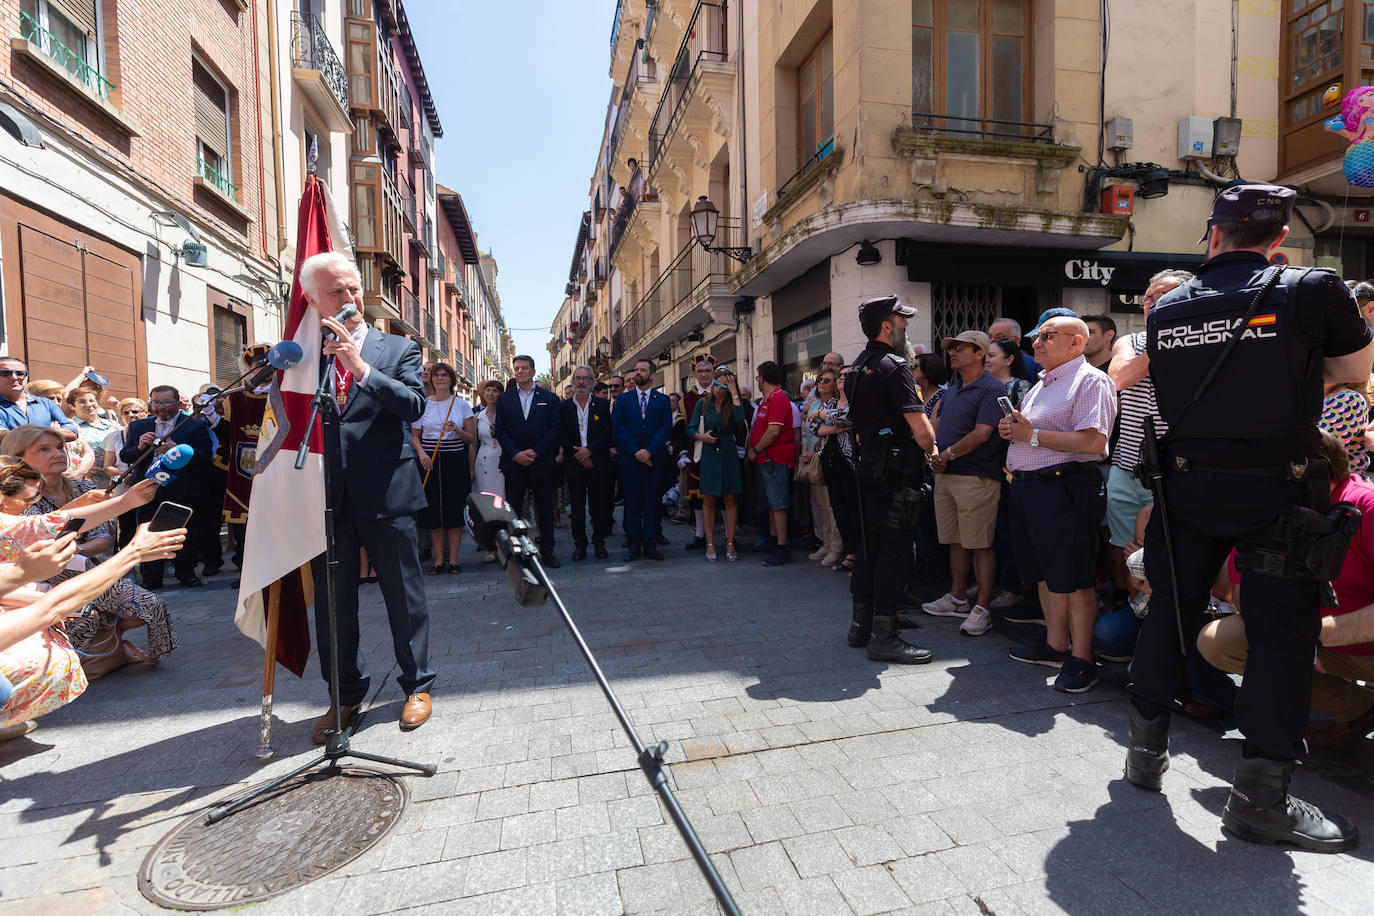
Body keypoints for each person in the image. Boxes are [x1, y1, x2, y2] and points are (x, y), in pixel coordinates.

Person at [1124, 184, 1374, 853]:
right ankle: (1261, 798)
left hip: (1187, 485)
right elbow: (1354, 370)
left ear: (1214, 236)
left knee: (1171, 613)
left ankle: (1143, 758)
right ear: (1278, 240)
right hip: (1277, 489)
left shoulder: (1168, 306)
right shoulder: (1309, 287)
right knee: (1280, 636)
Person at [297, 251, 436, 741]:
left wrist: (360, 369)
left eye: (354, 287)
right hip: (324, 497)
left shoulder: (397, 349)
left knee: (404, 594)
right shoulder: (299, 355)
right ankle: (345, 695)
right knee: (334, 606)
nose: (350, 298)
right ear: (312, 299)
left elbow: (413, 404)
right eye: (337, 291)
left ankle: (417, 684)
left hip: (387, 491)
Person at [997, 315, 1117, 692]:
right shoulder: (1042, 383)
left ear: (1076, 343)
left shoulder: (1091, 380)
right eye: (1035, 337)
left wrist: (1029, 435)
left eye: (1047, 336)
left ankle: (1083, 660)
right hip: (1032, 488)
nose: (1037, 343)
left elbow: (1093, 444)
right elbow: (1033, 434)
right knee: (1047, 574)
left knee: (1076, 577)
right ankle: (1055, 645)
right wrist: (1015, 432)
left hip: (1064, 488)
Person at [0, 436, 175, 674]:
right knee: (82, 620)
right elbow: (40, 528)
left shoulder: (82, 488)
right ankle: (92, 658)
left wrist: (125, 502)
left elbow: (49, 525)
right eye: (44, 449)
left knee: (149, 604)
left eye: (60, 447)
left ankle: (120, 646)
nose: (57, 454)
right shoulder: (12, 517)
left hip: (80, 575)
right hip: (41, 594)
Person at [0, 522, 186, 735]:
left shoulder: (78, 494)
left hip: (80, 581)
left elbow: (84, 524)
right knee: (27, 671)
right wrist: (132, 553)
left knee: (147, 604)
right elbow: (47, 606)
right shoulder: (16, 524)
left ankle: (116, 639)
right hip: (42, 590)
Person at [843, 295, 937, 663]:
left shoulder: (856, 367)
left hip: (868, 466)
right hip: (896, 470)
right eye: (902, 322)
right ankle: (885, 635)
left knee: (870, 546)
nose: (906, 329)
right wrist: (933, 449)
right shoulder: (894, 366)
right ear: (887, 325)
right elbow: (919, 425)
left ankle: (860, 626)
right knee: (896, 550)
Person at [1105, 270, 1194, 613]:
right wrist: (1167, 339)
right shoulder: (1131, 341)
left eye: (1166, 296)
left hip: (1178, 471)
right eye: (1149, 297)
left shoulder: (1202, 340)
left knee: (1173, 550)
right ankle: (1131, 613)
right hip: (1128, 468)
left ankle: (1167, 621)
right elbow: (1118, 378)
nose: (1154, 303)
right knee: (1125, 548)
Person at [923, 331, 1006, 637]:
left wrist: (948, 454)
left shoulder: (992, 388)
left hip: (977, 476)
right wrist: (934, 453)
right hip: (946, 475)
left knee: (980, 545)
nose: (953, 353)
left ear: (980, 353)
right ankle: (958, 598)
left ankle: (982, 607)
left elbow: (983, 433)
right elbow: (939, 426)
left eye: (961, 348)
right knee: (955, 541)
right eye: (951, 348)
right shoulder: (952, 392)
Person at [119, 385, 216, 588]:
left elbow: (205, 455)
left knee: (184, 531)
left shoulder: (194, 424)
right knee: (148, 531)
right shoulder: (138, 427)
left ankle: (186, 573)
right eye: (156, 402)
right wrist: (139, 447)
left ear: (178, 403)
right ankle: (152, 578)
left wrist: (177, 450)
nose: (161, 407)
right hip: (149, 487)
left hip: (182, 487)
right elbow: (125, 456)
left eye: (166, 402)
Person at [495, 355, 563, 567]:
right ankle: (518, 553)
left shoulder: (549, 398)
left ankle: (547, 551)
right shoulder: (504, 399)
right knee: (514, 511)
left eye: (524, 368)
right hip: (513, 463)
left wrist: (536, 451)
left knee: (544, 510)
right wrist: (516, 454)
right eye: (516, 368)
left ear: (533, 371)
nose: (520, 371)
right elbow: (501, 430)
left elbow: (555, 428)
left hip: (541, 462)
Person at [412, 362, 476, 574]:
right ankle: (438, 560)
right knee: (433, 512)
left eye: (444, 375)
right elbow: (415, 436)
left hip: (455, 460)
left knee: (454, 511)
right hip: (429, 462)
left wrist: (457, 429)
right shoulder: (423, 405)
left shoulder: (461, 405)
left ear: (451, 379)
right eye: (436, 375)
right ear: (431, 379)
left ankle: (454, 560)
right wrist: (422, 454)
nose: (440, 378)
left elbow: (472, 438)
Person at [214, 347, 272, 570]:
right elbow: (227, 434)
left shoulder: (286, 392)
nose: (264, 369)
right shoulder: (235, 398)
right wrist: (212, 415)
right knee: (245, 526)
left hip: (275, 466)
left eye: (267, 364)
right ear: (250, 369)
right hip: (244, 470)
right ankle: (247, 570)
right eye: (258, 365)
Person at [613, 358, 672, 562]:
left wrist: (649, 451)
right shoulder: (623, 400)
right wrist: (637, 452)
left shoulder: (662, 400)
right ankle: (633, 544)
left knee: (653, 504)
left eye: (642, 370)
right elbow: (618, 428)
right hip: (630, 461)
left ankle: (650, 544)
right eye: (636, 369)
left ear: (652, 375)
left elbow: (665, 429)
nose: (637, 372)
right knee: (632, 505)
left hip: (655, 461)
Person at [690, 367, 747, 562]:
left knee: (730, 498)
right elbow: (690, 429)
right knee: (709, 499)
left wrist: (734, 393)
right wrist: (701, 437)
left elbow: (740, 420)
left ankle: (730, 542)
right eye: (717, 383)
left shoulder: (734, 403)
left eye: (723, 385)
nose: (718, 388)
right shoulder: (703, 403)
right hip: (710, 454)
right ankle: (710, 543)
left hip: (729, 453)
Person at [559, 367, 613, 560]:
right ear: (573, 381)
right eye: (578, 378)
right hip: (574, 464)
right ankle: (580, 545)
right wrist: (579, 454)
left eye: (585, 379)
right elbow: (561, 433)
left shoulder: (603, 405)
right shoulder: (563, 407)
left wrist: (589, 451)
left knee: (599, 507)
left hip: (597, 462)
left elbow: (607, 431)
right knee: (577, 507)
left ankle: (599, 543)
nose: (581, 382)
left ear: (592, 381)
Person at [747, 361, 796, 566]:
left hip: (774, 459)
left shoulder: (779, 399)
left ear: (762, 379)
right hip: (766, 459)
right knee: (771, 504)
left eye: (758, 377)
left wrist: (755, 450)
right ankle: (775, 542)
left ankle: (782, 547)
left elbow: (774, 431)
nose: (757, 381)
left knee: (778, 504)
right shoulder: (768, 400)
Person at [812, 367, 859, 573]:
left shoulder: (857, 401)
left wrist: (821, 414)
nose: (841, 379)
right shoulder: (831, 402)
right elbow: (813, 426)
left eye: (846, 376)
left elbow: (847, 417)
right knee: (838, 509)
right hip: (830, 461)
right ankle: (849, 552)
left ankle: (859, 555)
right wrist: (831, 426)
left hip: (851, 463)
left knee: (853, 508)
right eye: (840, 375)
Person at [675, 357, 718, 550]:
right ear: (694, 374)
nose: (703, 374)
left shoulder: (722, 392)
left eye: (707, 370)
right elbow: (680, 426)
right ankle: (701, 535)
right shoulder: (687, 398)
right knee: (699, 498)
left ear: (713, 372)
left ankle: (726, 536)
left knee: (725, 497)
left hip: (720, 450)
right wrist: (683, 451)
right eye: (700, 371)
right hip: (696, 453)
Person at [801, 373, 843, 566]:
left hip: (831, 458)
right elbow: (808, 430)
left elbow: (831, 427)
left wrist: (820, 430)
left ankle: (836, 547)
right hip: (815, 457)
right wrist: (807, 450)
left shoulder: (838, 403)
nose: (821, 383)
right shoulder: (816, 404)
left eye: (826, 380)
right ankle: (826, 543)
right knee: (822, 506)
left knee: (833, 506)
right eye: (819, 380)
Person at [471, 379, 506, 563]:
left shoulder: (507, 414)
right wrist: (471, 469)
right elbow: (472, 444)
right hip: (484, 461)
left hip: (504, 460)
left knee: (504, 504)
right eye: (488, 390)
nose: (491, 393)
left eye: (495, 390)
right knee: (487, 505)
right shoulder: (477, 417)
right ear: (483, 394)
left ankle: (508, 545)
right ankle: (492, 547)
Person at [67, 387, 120, 489]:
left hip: (117, 479)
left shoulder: (113, 424)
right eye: (82, 402)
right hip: (89, 481)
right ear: (72, 406)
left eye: (92, 400)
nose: (89, 404)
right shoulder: (71, 427)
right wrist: (82, 468)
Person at [912, 353, 948, 418]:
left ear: (928, 369)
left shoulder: (943, 396)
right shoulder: (917, 395)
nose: (910, 370)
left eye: (915, 366)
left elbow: (934, 425)